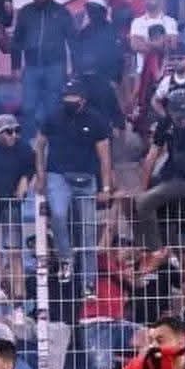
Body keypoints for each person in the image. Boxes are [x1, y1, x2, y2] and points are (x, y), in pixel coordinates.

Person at [34, 78, 113, 296]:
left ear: (83, 100)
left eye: (74, 97)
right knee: (58, 215)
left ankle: (89, 282)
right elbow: (39, 146)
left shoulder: (96, 120)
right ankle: (66, 259)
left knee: (88, 231)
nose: (69, 101)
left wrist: (106, 187)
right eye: (66, 97)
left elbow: (105, 156)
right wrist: (40, 175)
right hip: (58, 175)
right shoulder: (52, 117)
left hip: (86, 178)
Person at [134, 89, 185, 275]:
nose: (180, 120)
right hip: (168, 177)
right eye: (176, 116)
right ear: (169, 112)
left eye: (184, 115)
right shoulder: (165, 124)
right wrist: (143, 187)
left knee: (144, 203)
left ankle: (156, 251)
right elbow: (151, 156)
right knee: (141, 202)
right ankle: (152, 249)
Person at [10, 0, 77, 139]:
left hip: (55, 67)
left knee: (53, 107)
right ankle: (29, 143)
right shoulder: (26, 12)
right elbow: (17, 41)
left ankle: (52, 141)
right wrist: (16, 66)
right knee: (28, 107)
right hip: (31, 67)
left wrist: (74, 67)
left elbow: (73, 41)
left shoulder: (61, 12)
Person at [0, 114, 34, 303]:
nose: (14, 135)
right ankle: (0, 286)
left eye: (17, 131)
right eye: (9, 132)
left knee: (14, 249)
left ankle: (18, 293)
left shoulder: (24, 148)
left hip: (11, 200)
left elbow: (31, 167)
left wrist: (25, 180)